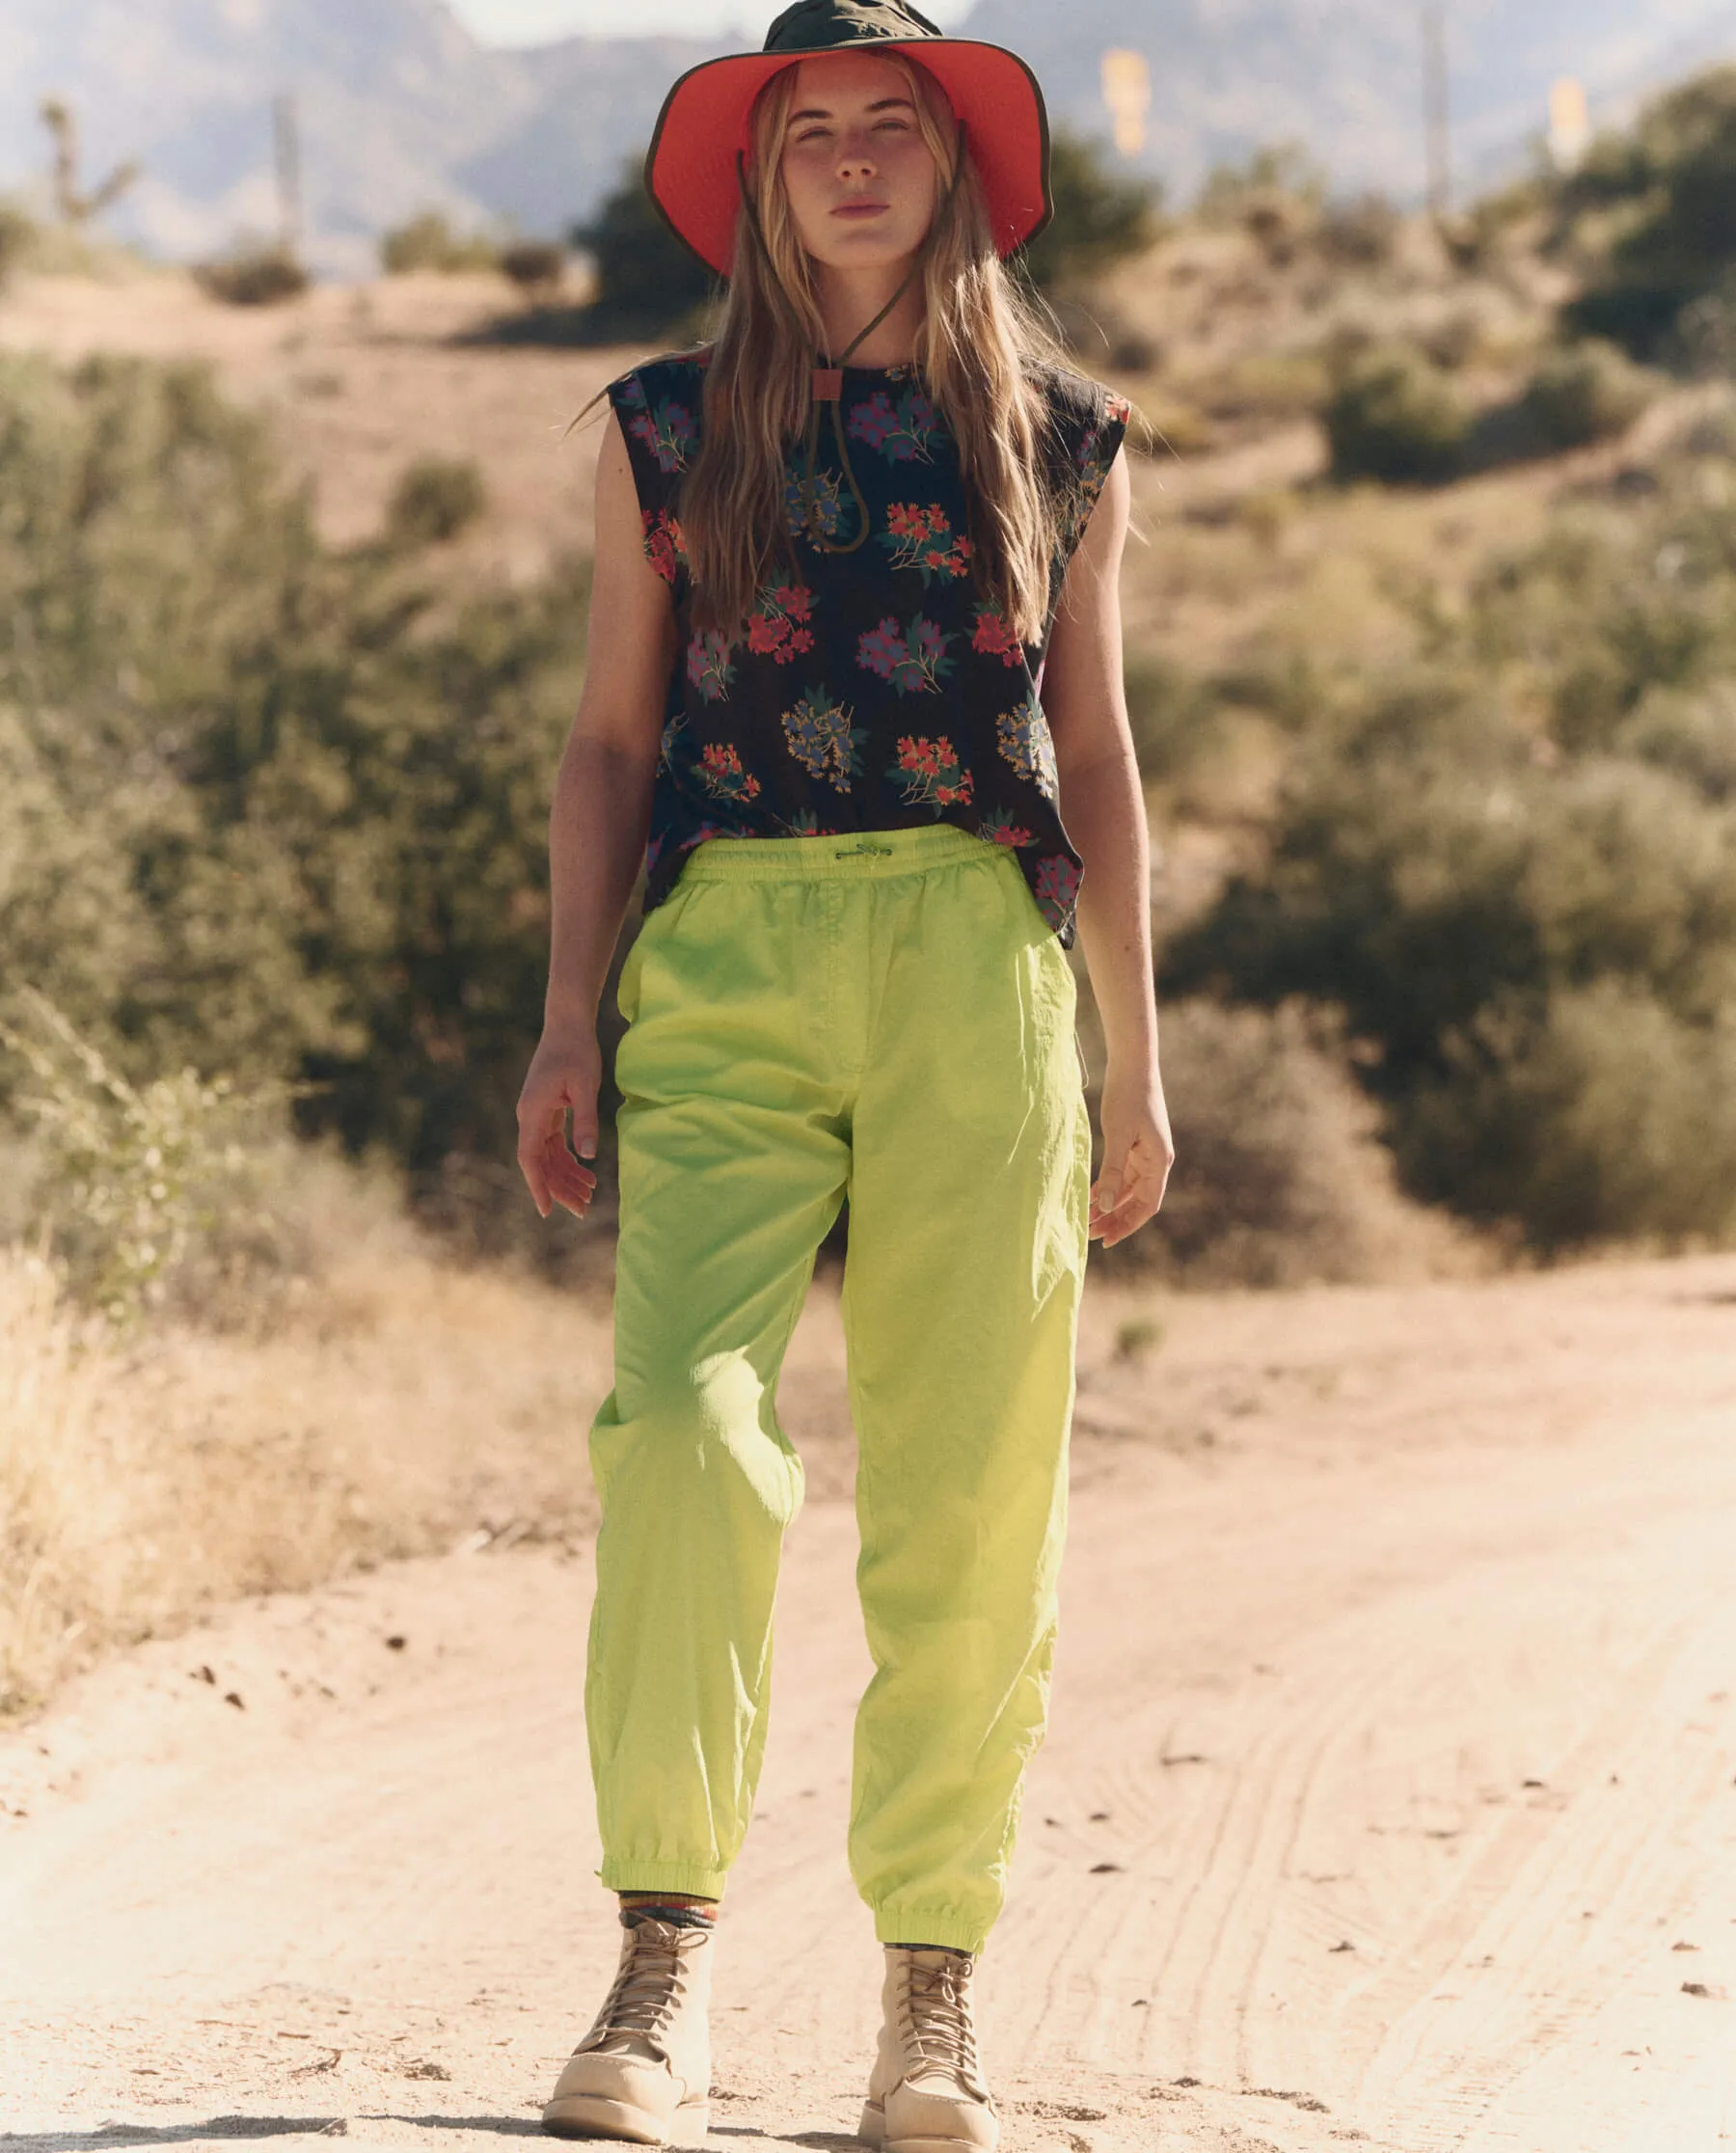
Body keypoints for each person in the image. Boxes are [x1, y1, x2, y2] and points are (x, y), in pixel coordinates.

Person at [515, 3, 1174, 2144]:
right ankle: (660, 1970)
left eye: (898, 125)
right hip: (723, 963)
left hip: (980, 967)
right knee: (687, 1434)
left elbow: (1094, 755)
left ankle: (930, 2001)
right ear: (764, 177)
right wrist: (564, 1020)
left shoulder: (1061, 435)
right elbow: (611, 744)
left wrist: (1132, 1060)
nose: (860, 161)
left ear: (955, 166)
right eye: (817, 133)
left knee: (978, 1488)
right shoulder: (658, 426)